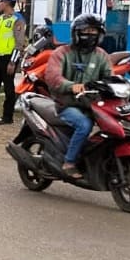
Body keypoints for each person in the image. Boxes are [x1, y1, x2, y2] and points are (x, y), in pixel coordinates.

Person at [42, 12, 112, 180]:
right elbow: (52, 77)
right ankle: (69, 163)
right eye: (86, 30)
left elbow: (110, 76)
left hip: (91, 104)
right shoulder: (62, 52)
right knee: (84, 125)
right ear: (76, 32)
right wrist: (71, 86)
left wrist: (126, 85)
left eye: (94, 31)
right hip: (66, 104)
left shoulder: (101, 55)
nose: (90, 35)